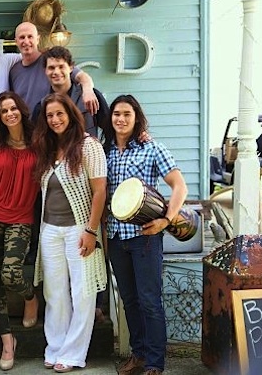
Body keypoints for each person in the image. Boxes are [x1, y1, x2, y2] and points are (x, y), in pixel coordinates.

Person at [104, 95, 188, 375]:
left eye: (127, 114)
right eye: (116, 113)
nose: (121, 119)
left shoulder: (153, 148)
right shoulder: (106, 152)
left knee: (150, 300)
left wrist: (166, 219)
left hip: (145, 236)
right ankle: (138, 355)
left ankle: (154, 363)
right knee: (129, 300)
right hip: (116, 237)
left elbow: (179, 186)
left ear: (136, 117)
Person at [32, 93, 107, 373]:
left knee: (82, 291)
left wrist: (91, 230)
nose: (55, 120)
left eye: (59, 114)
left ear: (71, 114)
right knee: (54, 292)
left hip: (80, 229)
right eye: (49, 115)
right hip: (50, 230)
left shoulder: (88, 146)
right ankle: (56, 348)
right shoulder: (47, 149)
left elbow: (99, 191)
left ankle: (74, 354)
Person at [0, 91, 40, 371]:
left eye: (13, 108)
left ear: (21, 111)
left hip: (21, 219)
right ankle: (6, 340)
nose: (9, 113)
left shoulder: (39, 144)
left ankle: (30, 297)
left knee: (11, 273)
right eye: (3, 111)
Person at [10, 22, 99, 115]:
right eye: (22, 37)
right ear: (16, 41)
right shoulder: (14, 71)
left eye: (30, 36)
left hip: (51, 124)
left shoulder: (51, 61)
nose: (26, 41)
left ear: (37, 39)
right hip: (26, 127)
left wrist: (88, 90)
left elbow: (82, 76)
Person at [32, 46, 109, 139]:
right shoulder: (42, 106)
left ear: (71, 68)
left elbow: (109, 128)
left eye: (61, 67)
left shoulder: (91, 97)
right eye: (51, 68)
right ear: (45, 70)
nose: (56, 72)